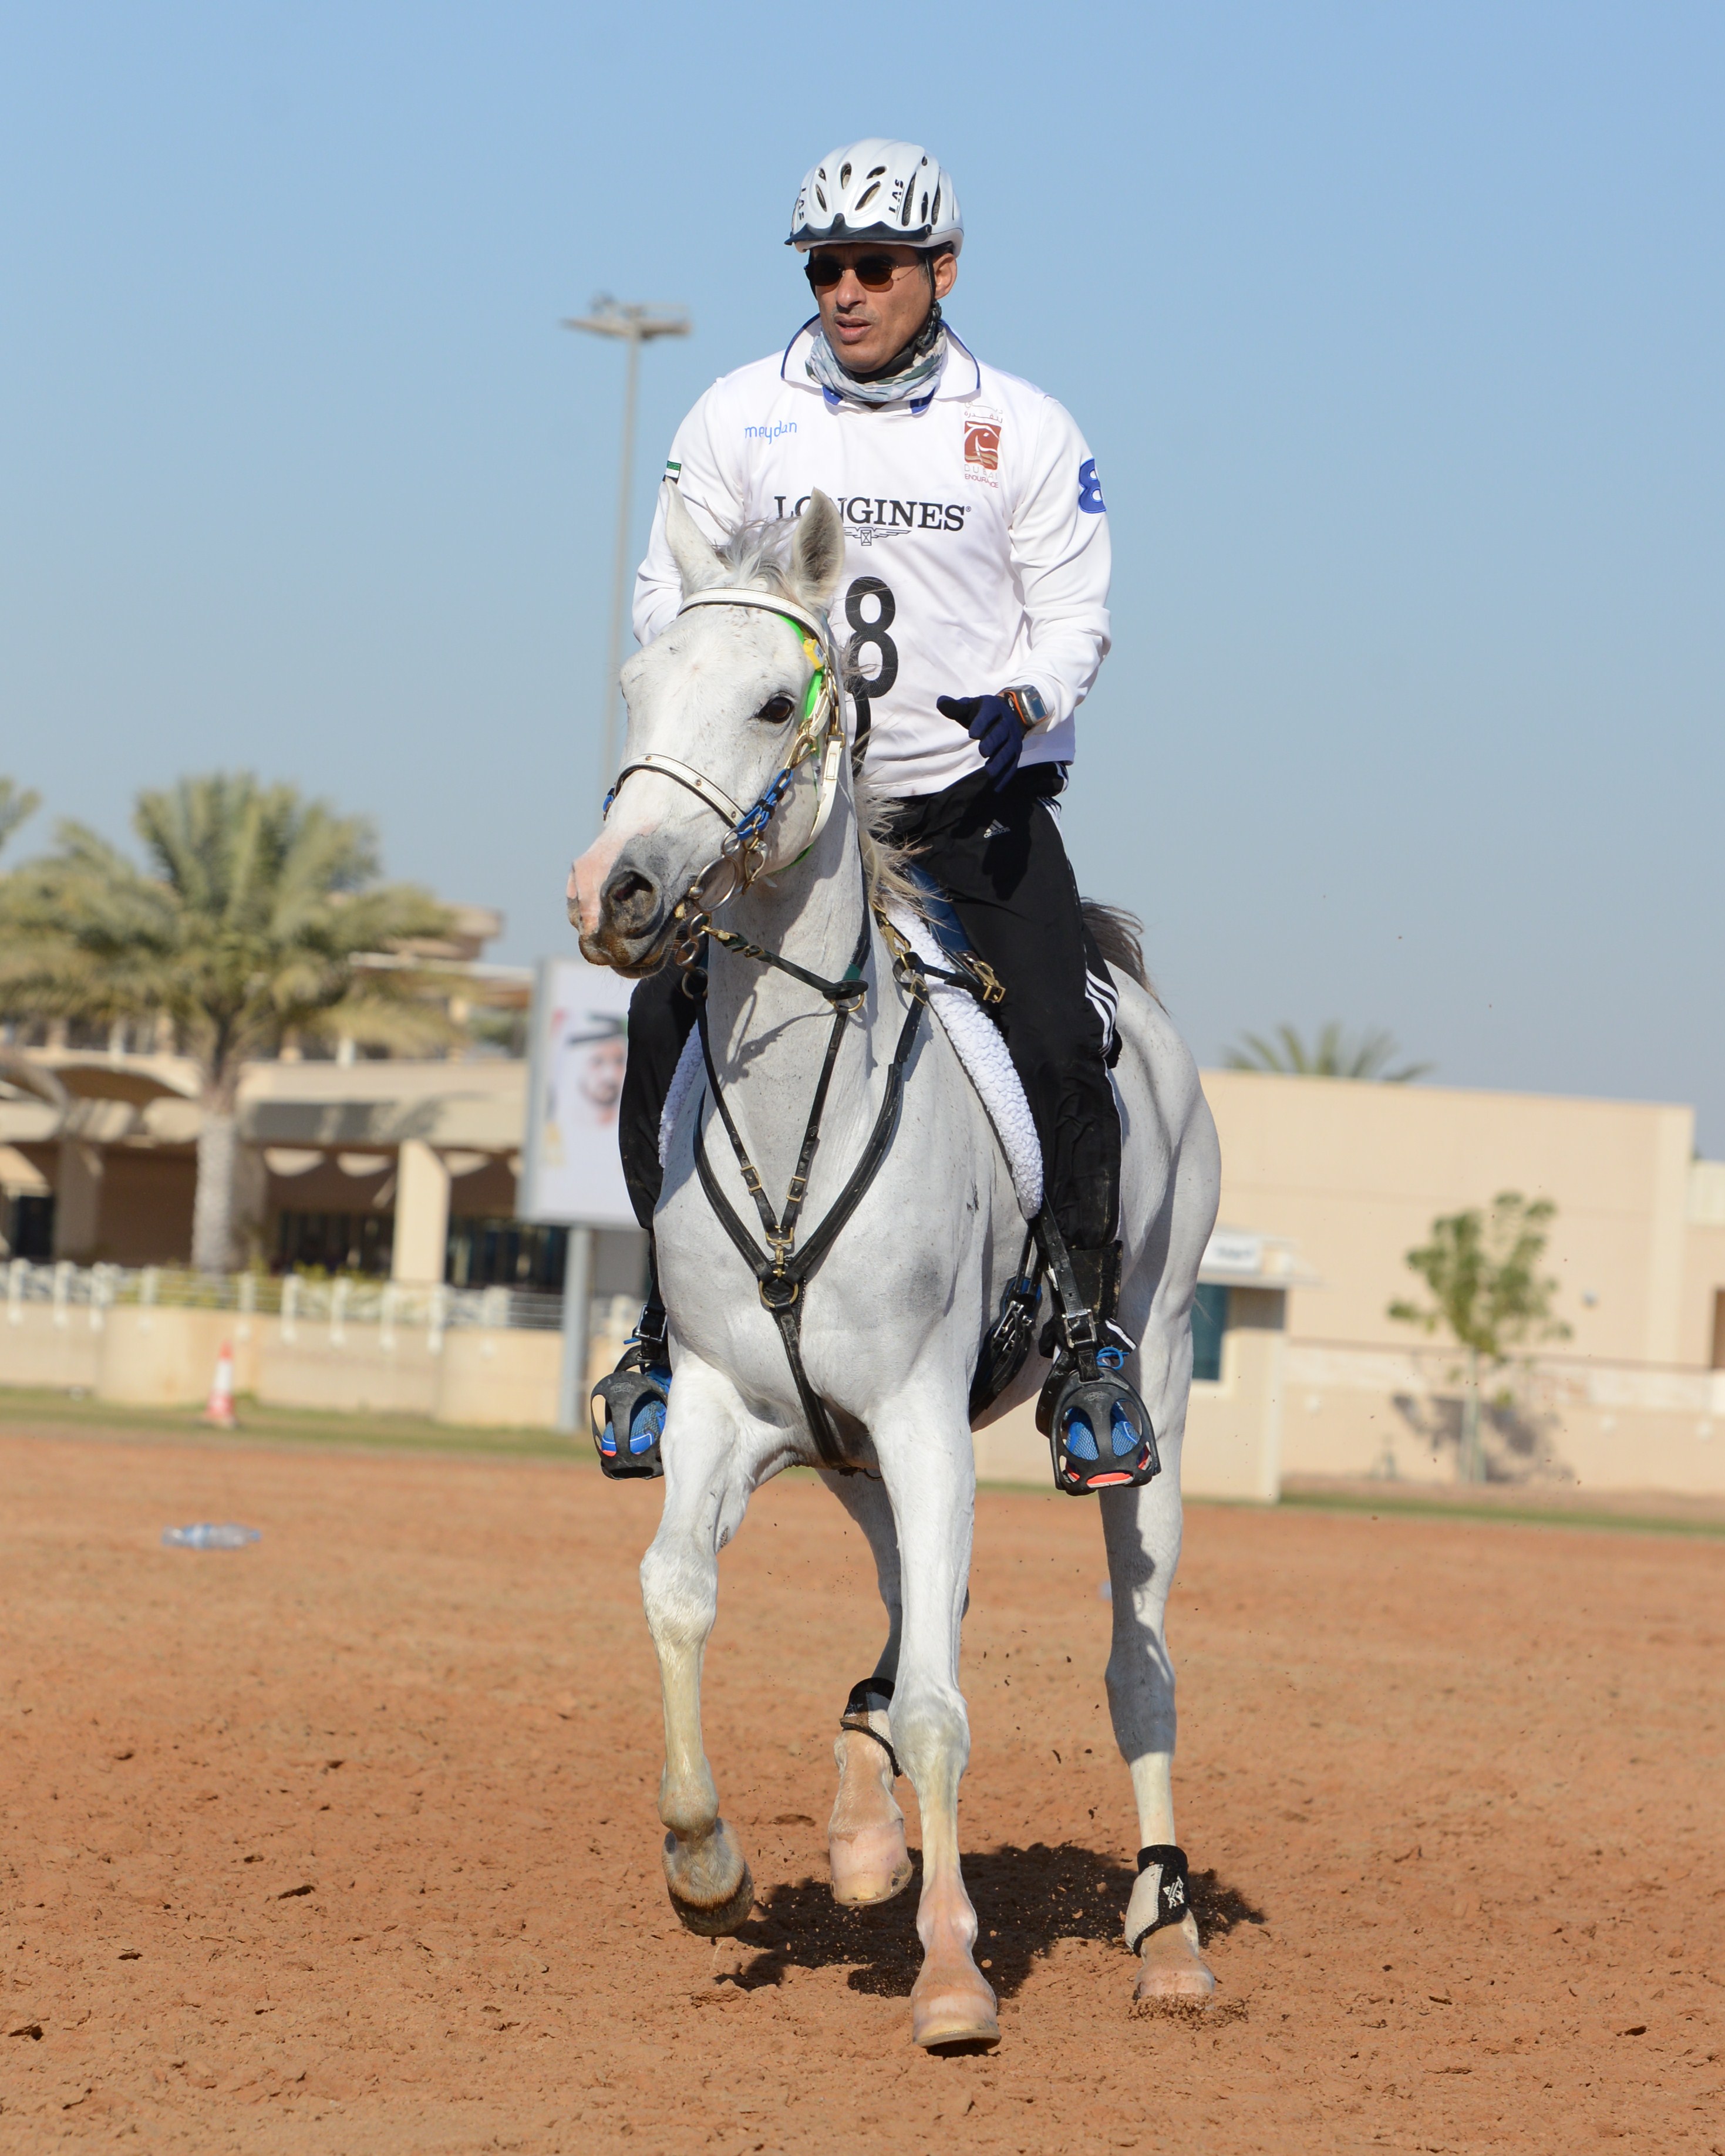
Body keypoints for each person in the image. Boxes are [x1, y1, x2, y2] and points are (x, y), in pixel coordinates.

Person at [604, 138, 1139, 1479]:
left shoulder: (1021, 425)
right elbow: (665, 595)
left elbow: (1075, 613)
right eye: (825, 268)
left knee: (1065, 1040)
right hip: (786, 820)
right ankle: (663, 1329)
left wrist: (1026, 698)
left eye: (874, 268)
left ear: (938, 271)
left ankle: (1083, 1341)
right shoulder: (734, 412)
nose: (845, 291)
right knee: (658, 1012)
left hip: (969, 807)